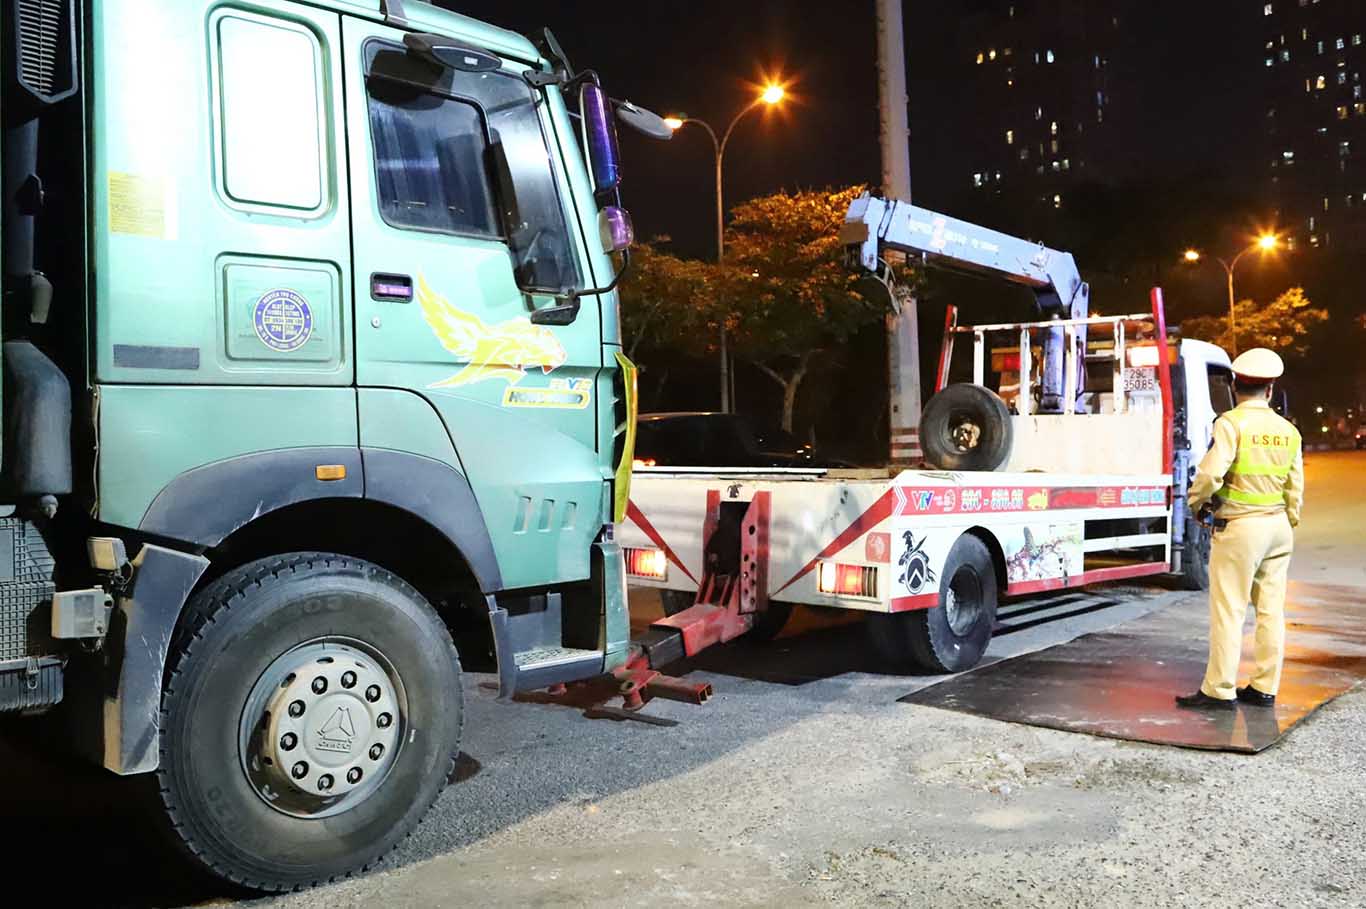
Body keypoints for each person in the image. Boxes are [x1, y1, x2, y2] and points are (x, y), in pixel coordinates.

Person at [1176, 347, 1303, 711]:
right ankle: (1264, 688)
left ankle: (1219, 690)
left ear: (1234, 385)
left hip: (1242, 528)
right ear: (1271, 388)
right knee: (1271, 611)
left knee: (1230, 609)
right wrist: (1288, 519)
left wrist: (1197, 503)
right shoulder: (1288, 430)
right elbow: (1296, 487)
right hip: (1278, 527)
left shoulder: (1230, 423)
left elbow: (1211, 474)